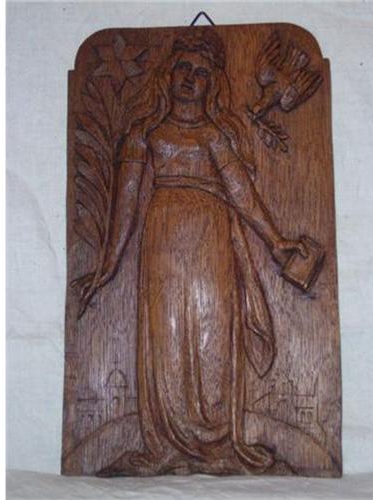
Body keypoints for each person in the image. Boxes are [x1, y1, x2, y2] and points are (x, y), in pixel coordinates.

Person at [90, 28, 307, 475]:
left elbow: (243, 194)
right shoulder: (144, 134)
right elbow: (125, 206)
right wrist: (108, 265)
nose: (190, 78)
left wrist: (277, 241)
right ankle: (167, 443)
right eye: (183, 69)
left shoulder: (214, 135)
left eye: (202, 73)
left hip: (212, 238)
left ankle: (216, 440)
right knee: (166, 334)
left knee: (214, 331)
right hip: (163, 242)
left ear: (212, 85)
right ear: (168, 75)